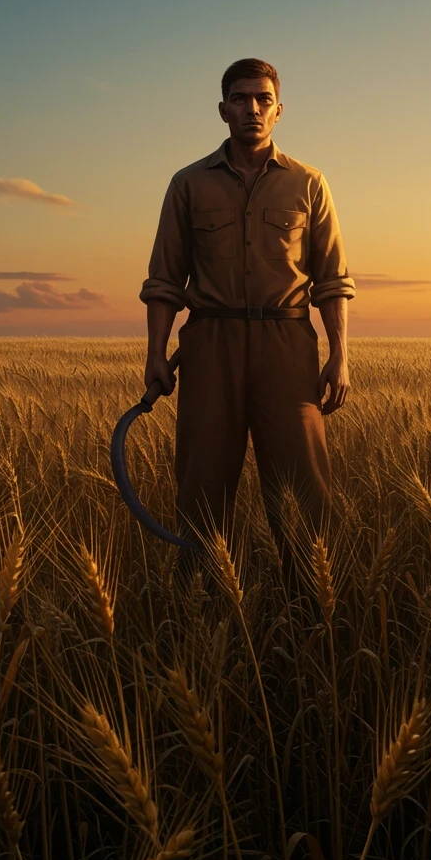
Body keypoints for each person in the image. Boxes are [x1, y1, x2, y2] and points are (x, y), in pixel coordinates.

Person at [139, 57, 355, 569]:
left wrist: (341, 353)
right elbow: (165, 280)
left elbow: (332, 280)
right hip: (211, 346)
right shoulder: (188, 185)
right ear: (222, 110)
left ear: (279, 110)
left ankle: (308, 616)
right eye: (240, 99)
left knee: (304, 490)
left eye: (262, 99)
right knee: (202, 489)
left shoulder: (309, 183)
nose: (252, 109)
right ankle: (203, 612)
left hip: (288, 346)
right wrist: (155, 352)